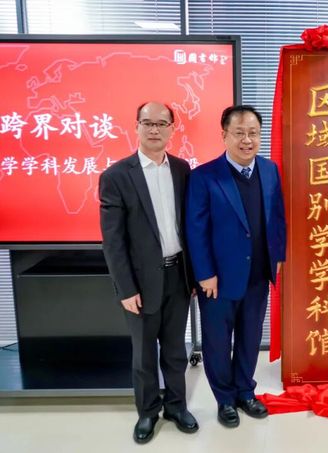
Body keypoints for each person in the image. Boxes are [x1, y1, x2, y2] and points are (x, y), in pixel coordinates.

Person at [99, 101, 199, 444]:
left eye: (161, 123)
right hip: (140, 284)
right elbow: (113, 241)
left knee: (175, 350)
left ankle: (176, 406)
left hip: (178, 276)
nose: (154, 129)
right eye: (147, 123)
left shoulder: (183, 170)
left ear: (172, 128)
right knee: (143, 354)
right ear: (136, 127)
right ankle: (147, 412)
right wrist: (125, 289)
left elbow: (190, 227)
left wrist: (194, 275)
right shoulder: (116, 176)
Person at [185, 105, 286, 428]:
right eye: (239, 133)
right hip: (218, 278)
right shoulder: (204, 176)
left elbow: (277, 217)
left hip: (258, 274)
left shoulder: (269, 170)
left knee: (250, 337)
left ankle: (245, 391)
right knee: (217, 342)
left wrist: (278, 258)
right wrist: (204, 274)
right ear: (224, 135)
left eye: (253, 133)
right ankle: (225, 399)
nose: (247, 140)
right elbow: (196, 230)